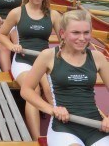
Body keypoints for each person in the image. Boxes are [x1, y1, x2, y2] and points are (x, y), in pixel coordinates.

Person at [21, 10, 109, 146]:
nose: (82, 38)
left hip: (95, 126)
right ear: (62, 33)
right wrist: (52, 109)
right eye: (76, 33)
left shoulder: (98, 58)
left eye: (86, 33)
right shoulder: (48, 56)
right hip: (63, 127)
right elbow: (26, 90)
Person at [0, 0, 61, 140]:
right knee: (34, 90)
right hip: (23, 60)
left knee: (49, 90)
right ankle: (36, 139)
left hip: (45, 61)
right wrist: (12, 46)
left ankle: (61, 127)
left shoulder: (54, 15)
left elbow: (64, 44)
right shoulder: (17, 13)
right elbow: (1, 34)